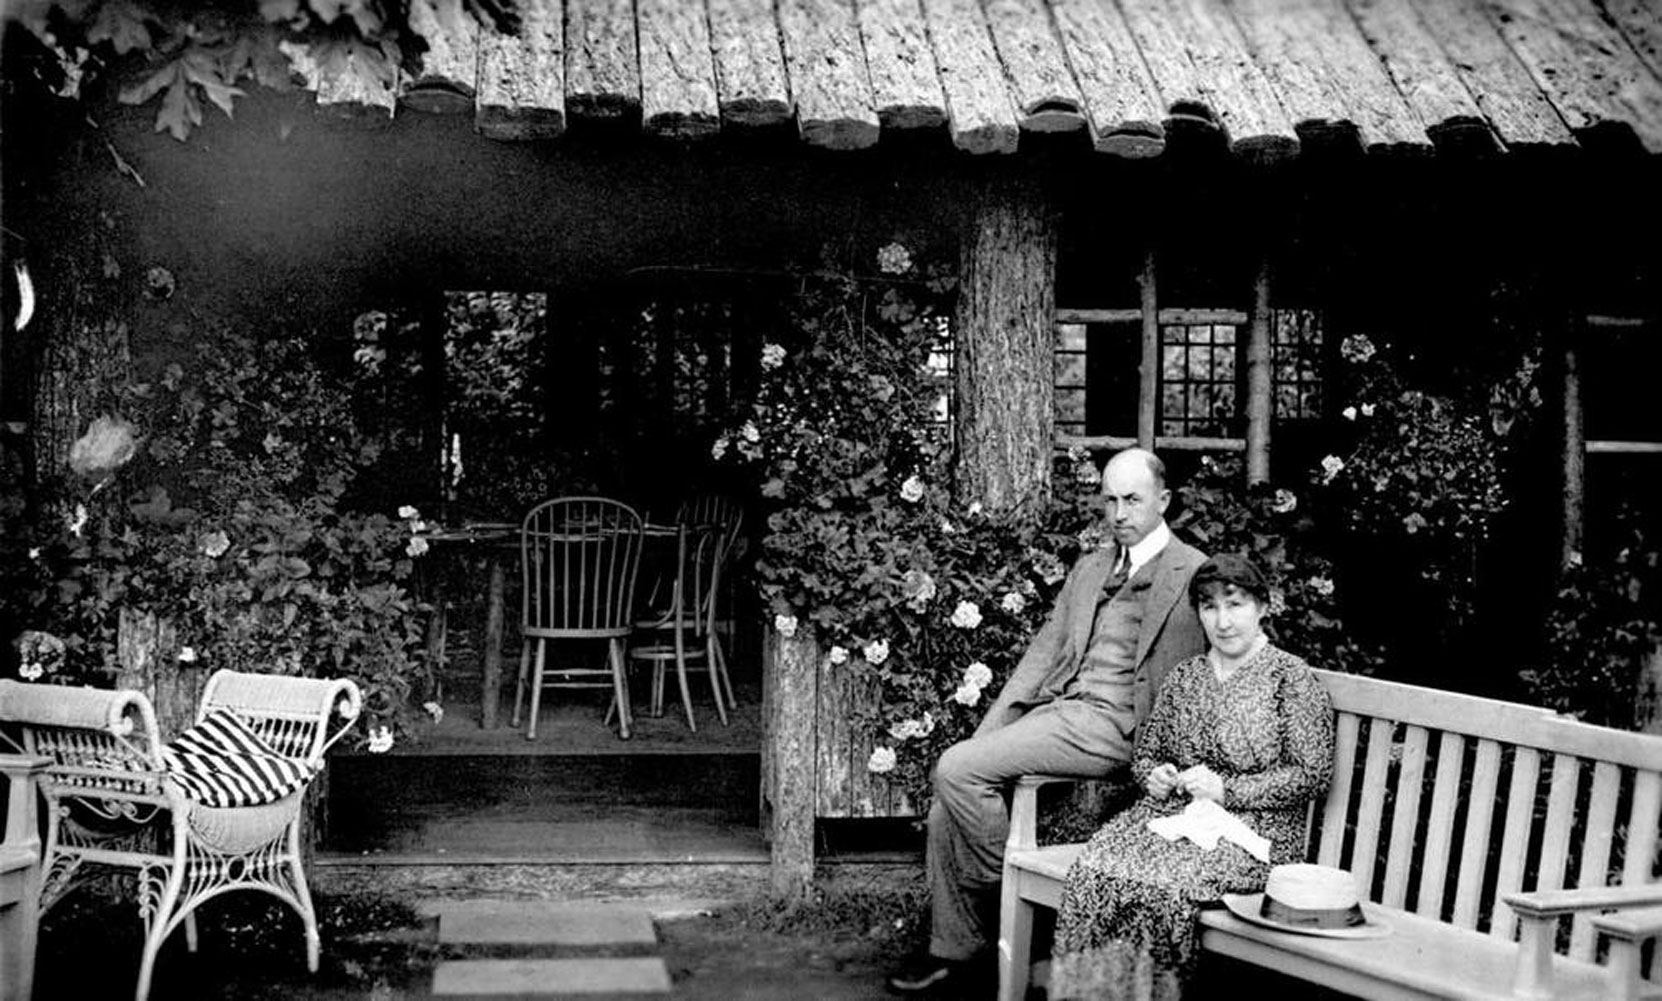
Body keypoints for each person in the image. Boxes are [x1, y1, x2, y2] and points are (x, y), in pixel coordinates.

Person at [887, 448, 1208, 997]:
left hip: (1119, 726)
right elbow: (1042, 657)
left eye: (1132, 500)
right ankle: (957, 952)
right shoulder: (1091, 568)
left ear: (1164, 501)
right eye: (1109, 500)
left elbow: (1211, 671)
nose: (1119, 513)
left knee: (957, 770)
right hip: (1063, 713)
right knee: (950, 799)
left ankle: (1006, 899)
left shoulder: (1194, 572)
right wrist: (989, 735)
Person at [1048, 552, 1336, 1000]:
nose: (1222, 621)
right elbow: (1146, 756)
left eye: (1235, 604)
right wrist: (1156, 776)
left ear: (1263, 607)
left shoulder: (1290, 678)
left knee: (1160, 887)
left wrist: (1228, 789)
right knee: (1096, 869)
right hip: (1172, 821)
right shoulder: (1186, 678)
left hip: (1254, 833)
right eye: (1209, 606)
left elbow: (1311, 774)